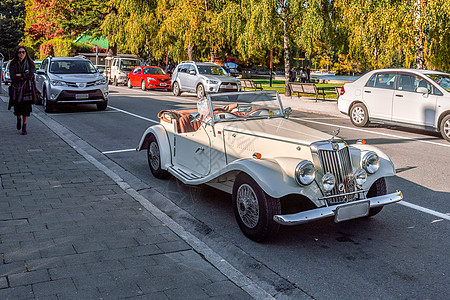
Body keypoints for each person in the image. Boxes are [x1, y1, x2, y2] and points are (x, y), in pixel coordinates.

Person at [8, 46, 37, 135]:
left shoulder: (30, 63)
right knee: (17, 107)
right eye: (19, 52)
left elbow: (30, 75)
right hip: (16, 89)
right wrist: (24, 76)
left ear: (26, 53)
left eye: (23, 52)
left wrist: (20, 75)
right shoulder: (13, 64)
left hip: (27, 88)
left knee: (26, 108)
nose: (21, 54)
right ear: (16, 53)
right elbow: (12, 76)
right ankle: (18, 119)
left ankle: (24, 126)